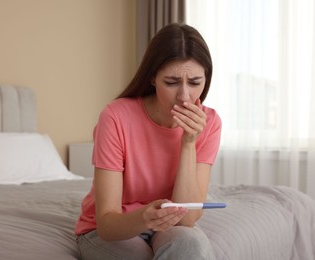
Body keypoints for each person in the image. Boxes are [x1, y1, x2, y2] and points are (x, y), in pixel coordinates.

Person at [75, 23, 222, 260]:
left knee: (190, 246)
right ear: (153, 77)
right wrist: (144, 217)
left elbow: (187, 219)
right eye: (172, 82)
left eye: (195, 83)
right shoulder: (115, 117)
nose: (184, 96)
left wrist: (188, 142)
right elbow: (107, 225)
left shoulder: (210, 122)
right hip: (115, 229)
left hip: (171, 226)